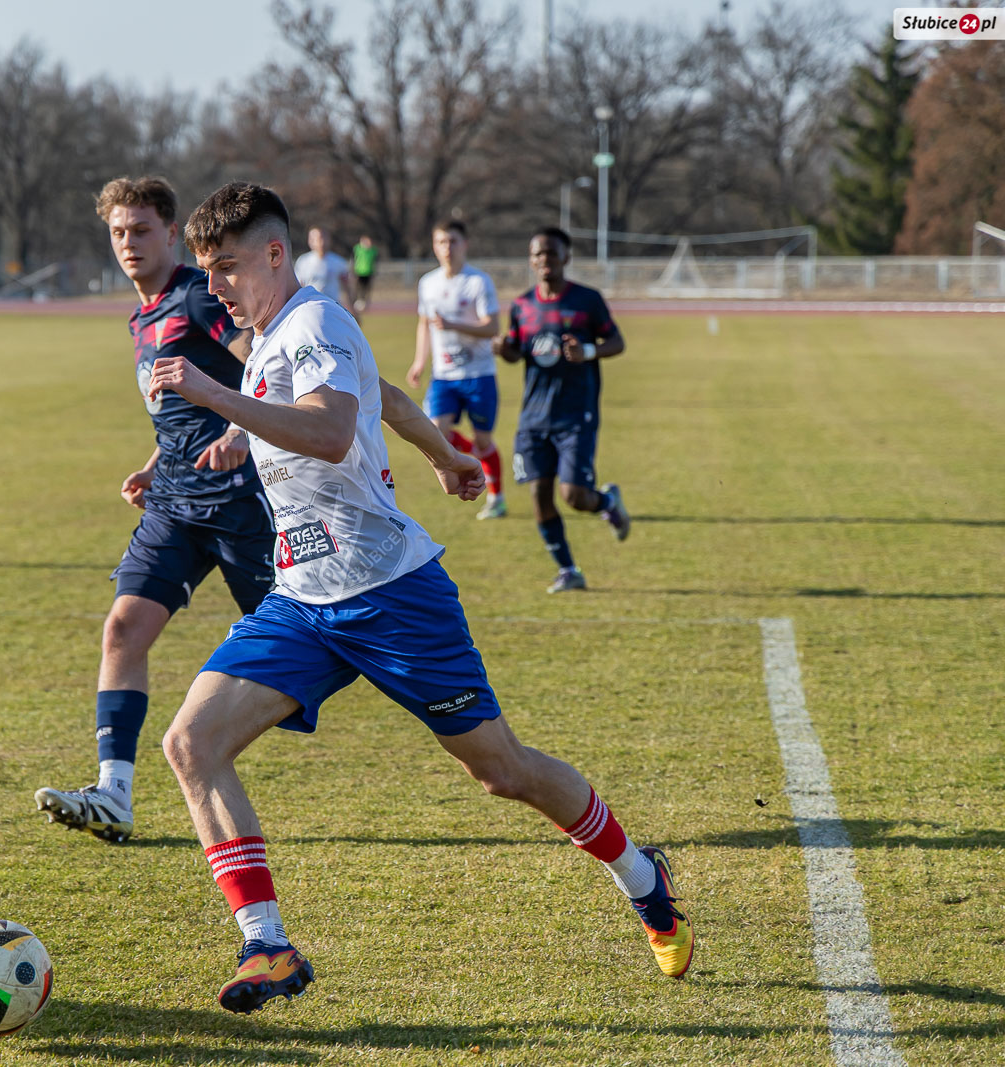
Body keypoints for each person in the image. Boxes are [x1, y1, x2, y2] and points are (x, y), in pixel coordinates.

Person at [146, 182, 691, 1015]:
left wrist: (216, 397)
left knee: (502, 770)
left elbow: (331, 430)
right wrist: (440, 453)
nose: (213, 285)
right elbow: (386, 398)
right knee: (190, 742)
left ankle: (643, 877)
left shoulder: (316, 321)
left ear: (274, 255)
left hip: (393, 595)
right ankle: (268, 943)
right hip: (304, 600)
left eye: (225, 268)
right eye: (208, 270)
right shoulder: (268, 342)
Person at [32, 176, 275, 845]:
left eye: (142, 230)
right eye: (119, 232)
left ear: (172, 233)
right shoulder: (144, 314)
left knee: (312, 639)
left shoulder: (198, 297)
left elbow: (262, 358)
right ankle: (114, 791)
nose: (130, 243)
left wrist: (240, 432)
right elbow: (178, 402)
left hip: (238, 500)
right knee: (123, 629)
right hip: (173, 498)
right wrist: (152, 460)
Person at [494, 227, 630, 593]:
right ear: (531, 260)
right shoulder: (522, 306)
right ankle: (569, 570)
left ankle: (606, 500)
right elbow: (515, 351)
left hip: (576, 414)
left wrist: (587, 352)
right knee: (539, 495)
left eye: (551, 254)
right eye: (537, 255)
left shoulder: (586, 301)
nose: (544, 261)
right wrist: (502, 349)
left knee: (573, 495)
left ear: (566, 257)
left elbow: (616, 341)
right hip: (533, 417)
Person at [406, 219, 505, 519]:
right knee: (435, 431)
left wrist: (453, 325)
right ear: (434, 247)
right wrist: (419, 361)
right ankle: (467, 458)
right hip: (444, 376)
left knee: (484, 441)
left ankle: (497, 498)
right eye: (441, 242)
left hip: (479, 374)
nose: (447, 248)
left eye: (452, 241)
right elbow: (425, 325)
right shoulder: (428, 283)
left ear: (465, 244)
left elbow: (493, 328)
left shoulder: (478, 282)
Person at [293, 227, 355, 314]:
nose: (320, 241)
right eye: (315, 238)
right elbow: (297, 287)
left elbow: (346, 288)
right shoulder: (303, 261)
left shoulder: (339, 262)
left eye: (323, 237)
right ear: (310, 241)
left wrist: (352, 310)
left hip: (332, 309)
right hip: (310, 310)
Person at [349, 234, 376, 313]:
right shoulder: (357, 249)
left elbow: (375, 262)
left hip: (368, 273)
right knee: (356, 289)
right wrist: (352, 271)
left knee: (366, 290)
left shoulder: (373, 251)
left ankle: (364, 305)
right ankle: (354, 305)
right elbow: (353, 260)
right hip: (358, 272)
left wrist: (374, 272)